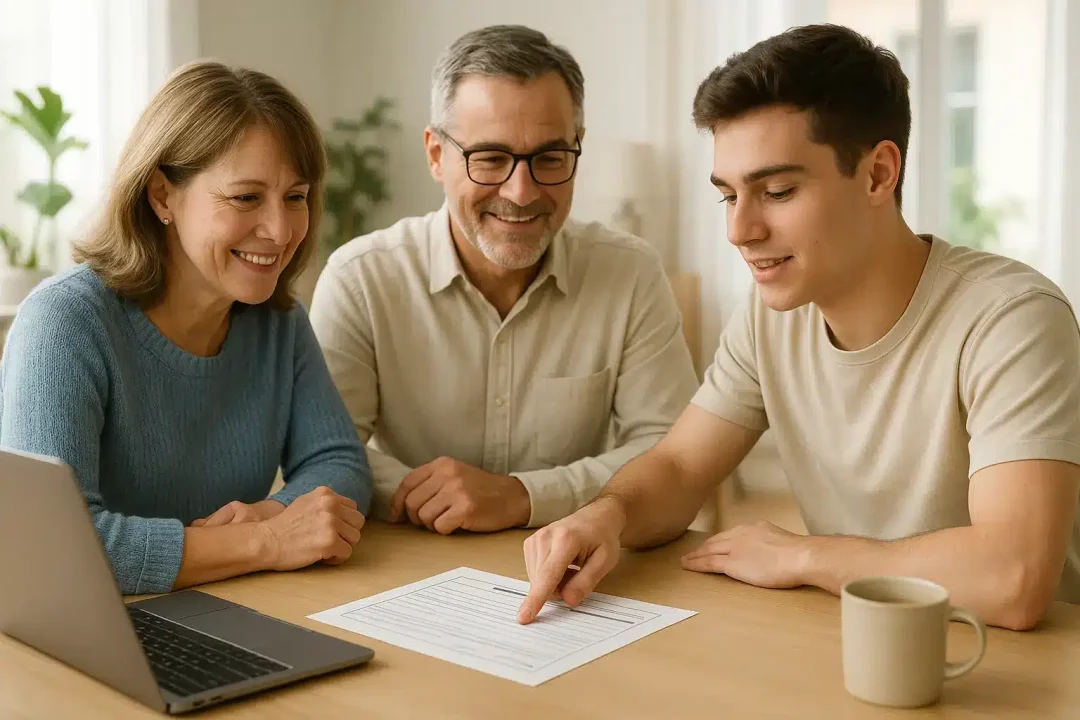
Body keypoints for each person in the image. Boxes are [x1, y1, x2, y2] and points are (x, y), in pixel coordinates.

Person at [518, 23, 1080, 632]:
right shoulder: (769, 318)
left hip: (1011, 670)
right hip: (856, 640)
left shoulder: (1011, 318)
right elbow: (679, 469)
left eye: (778, 191)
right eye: (728, 196)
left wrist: (806, 555)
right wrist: (607, 516)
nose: (740, 230)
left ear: (877, 174)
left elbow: (1014, 578)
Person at [0, 61, 373, 595]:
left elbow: (339, 462)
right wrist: (265, 541)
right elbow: (47, 546)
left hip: (208, 609)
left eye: (295, 196)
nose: (281, 229)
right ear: (162, 196)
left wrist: (271, 511)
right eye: (246, 197)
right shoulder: (65, 322)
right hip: (64, 634)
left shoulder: (278, 321)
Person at [309, 25, 698, 535]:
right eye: (490, 158)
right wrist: (439, 500)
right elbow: (328, 452)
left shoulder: (631, 274)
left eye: (549, 158)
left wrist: (522, 497)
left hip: (581, 561)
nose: (520, 191)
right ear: (435, 155)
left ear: (577, 149)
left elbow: (671, 451)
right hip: (409, 563)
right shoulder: (360, 279)